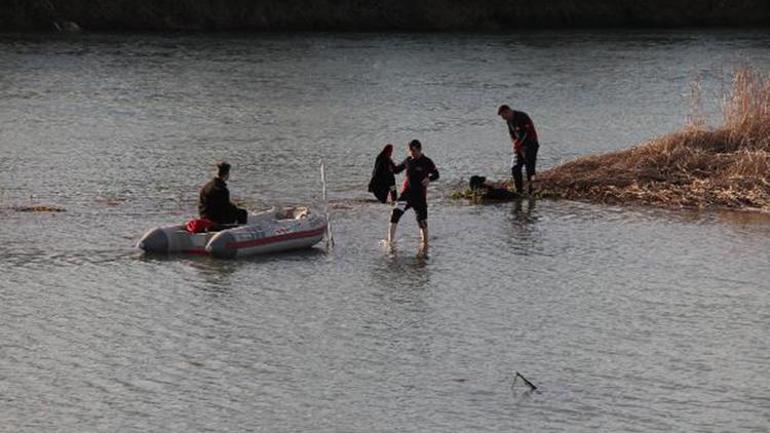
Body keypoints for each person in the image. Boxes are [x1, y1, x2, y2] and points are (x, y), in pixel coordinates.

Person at [387, 139, 439, 247]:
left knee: (422, 221)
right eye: (409, 151)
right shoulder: (408, 160)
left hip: (420, 196)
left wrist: (429, 179)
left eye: (413, 151)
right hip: (406, 195)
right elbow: (396, 170)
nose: (411, 153)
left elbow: (436, 174)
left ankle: (425, 245)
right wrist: (388, 161)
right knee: (395, 213)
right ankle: (390, 242)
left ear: (419, 149)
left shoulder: (427, 161)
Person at [498, 104, 539, 195]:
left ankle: (532, 191)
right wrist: (515, 144)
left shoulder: (521, 116)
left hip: (530, 145)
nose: (503, 118)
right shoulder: (509, 121)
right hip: (519, 146)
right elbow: (512, 134)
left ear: (507, 111)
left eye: (503, 116)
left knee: (530, 169)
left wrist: (519, 144)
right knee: (515, 168)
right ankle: (519, 191)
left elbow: (526, 133)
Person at [198, 161, 248, 229]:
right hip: (216, 220)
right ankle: (240, 231)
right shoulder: (222, 189)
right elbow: (226, 207)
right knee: (242, 213)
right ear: (226, 174)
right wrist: (235, 207)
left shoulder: (206, 186)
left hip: (204, 216)